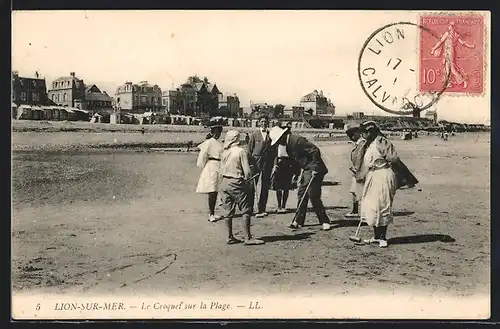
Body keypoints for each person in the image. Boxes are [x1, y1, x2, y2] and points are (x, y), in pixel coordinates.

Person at [269, 126, 333, 231]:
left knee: (313, 195)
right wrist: (296, 174)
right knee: (302, 193)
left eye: (278, 141)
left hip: (315, 169)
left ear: (283, 136)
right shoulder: (288, 145)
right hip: (306, 169)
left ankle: (324, 221)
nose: (278, 144)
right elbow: (296, 161)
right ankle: (298, 221)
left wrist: (314, 169)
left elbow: (315, 151)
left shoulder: (297, 140)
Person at [356, 121, 399, 248]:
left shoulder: (381, 141)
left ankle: (383, 237)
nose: (362, 135)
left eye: (364, 133)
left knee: (382, 205)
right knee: (371, 206)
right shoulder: (367, 144)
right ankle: (375, 236)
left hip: (383, 174)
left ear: (370, 132)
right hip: (372, 176)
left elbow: (394, 158)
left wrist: (383, 162)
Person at [219, 130, 265, 246]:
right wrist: (247, 181)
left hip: (224, 182)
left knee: (228, 211)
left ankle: (229, 236)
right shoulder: (241, 152)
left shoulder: (224, 152)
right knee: (246, 209)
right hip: (236, 181)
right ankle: (248, 237)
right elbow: (247, 172)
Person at [247, 114, 277, 218]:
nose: (264, 123)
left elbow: (274, 151)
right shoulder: (254, 134)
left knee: (265, 187)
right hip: (255, 163)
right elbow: (249, 151)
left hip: (267, 164)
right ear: (259, 123)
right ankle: (249, 209)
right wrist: (250, 164)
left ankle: (262, 209)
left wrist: (274, 164)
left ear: (267, 123)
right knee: (252, 186)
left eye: (265, 122)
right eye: (262, 122)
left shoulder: (271, 135)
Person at [195, 119, 224, 222]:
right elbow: (202, 156)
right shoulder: (208, 143)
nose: (217, 134)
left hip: (219, 166)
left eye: (219, 132)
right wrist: (203, 166)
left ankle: (214, 213)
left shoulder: (220, 143)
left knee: (216, 190)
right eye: (215, 132)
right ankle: (211, 214)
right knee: (212, 190)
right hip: (211, 166)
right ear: (211, 132)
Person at [270, 123, 300, 213]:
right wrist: (275, 165)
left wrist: (294, 169)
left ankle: (284, 206)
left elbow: (294, 157)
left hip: (288, 164)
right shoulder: (277, 143)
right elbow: (275, 155)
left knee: (286, 187)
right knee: (278, 187)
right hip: (279, 164)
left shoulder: (289, 143)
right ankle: (279, 206)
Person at [344, 126, 366, 218]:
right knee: (354, 191)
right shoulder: (359, 143)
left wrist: (356, 170)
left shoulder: (362, 143)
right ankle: (355, 211)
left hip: (360, 171)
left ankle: (361, 211)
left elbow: (360, 158)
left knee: (360, 191)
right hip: (357, 171)